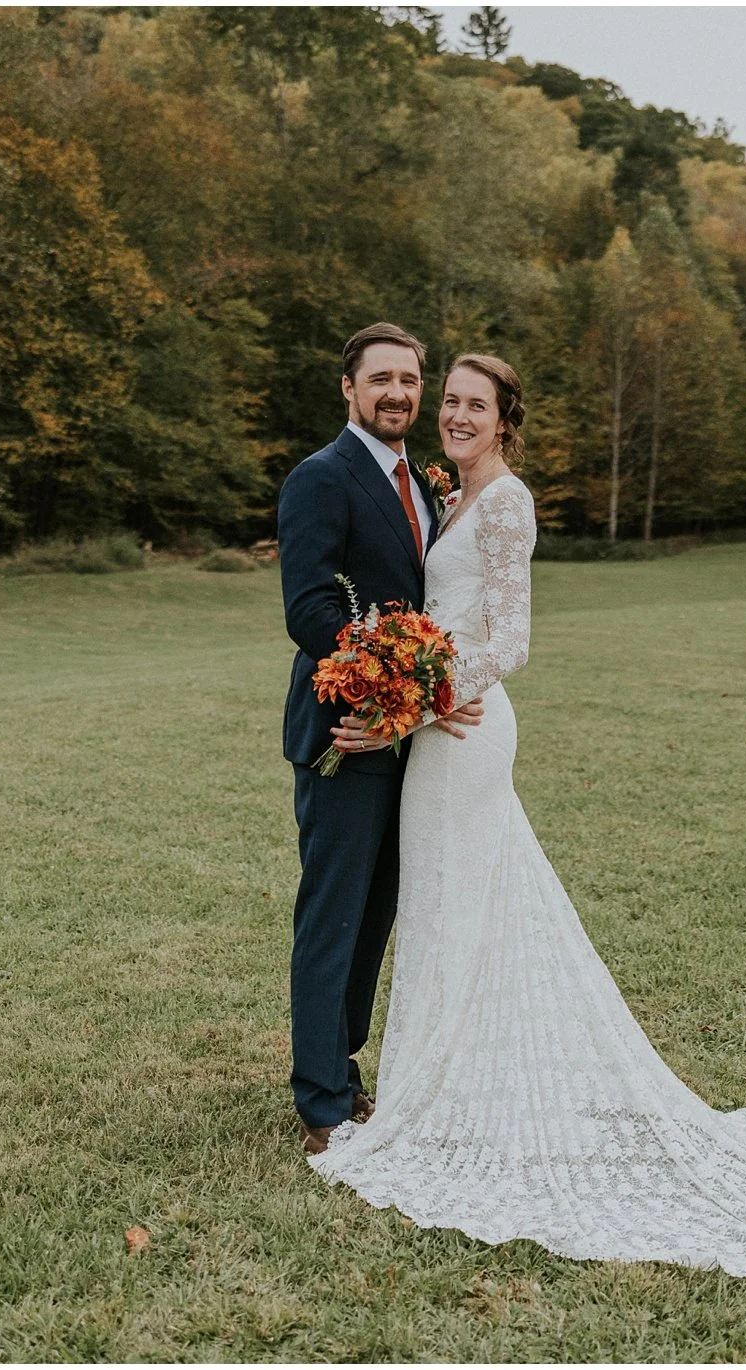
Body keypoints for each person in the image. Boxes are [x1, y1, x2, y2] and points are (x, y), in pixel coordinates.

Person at [305, 352, 746, 1284]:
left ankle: (438, 1099)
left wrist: (416, 702)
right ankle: (438, 1085)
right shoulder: (447, 495)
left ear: (504, 420)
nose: (453, 415)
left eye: (473, 405)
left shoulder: (505, 503)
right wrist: (412, 686)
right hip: (442, 729)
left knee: (458, 898)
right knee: (451, 903)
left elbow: (515, 640)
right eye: (447, 401)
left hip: (464, 732)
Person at [276, 322, 484, 1156]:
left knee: (377, 914)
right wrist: (385, 696)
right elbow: (312, 611)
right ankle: (320, 1100)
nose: (398, 393)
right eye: (381, 380)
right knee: (333, 914)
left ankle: (344, 1068)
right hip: (347, 731)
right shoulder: (320, 478)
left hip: (406, 735)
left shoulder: (422, 483)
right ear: (348, 389)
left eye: (409, 380)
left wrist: (414, 708)